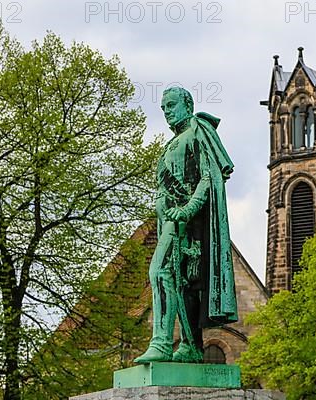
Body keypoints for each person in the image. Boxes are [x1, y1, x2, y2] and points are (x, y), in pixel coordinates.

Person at [134, 87, 237, 364]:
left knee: (160, 272)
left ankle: (162, 343)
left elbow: (209, 175)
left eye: (171, 105)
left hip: (186, 220)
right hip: (171, 220)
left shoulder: (199, 131)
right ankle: (192, 345)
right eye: (163, 107)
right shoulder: (176, 140)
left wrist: (190, 208)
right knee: (183, 285)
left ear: (187, 105)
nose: (166, 111)